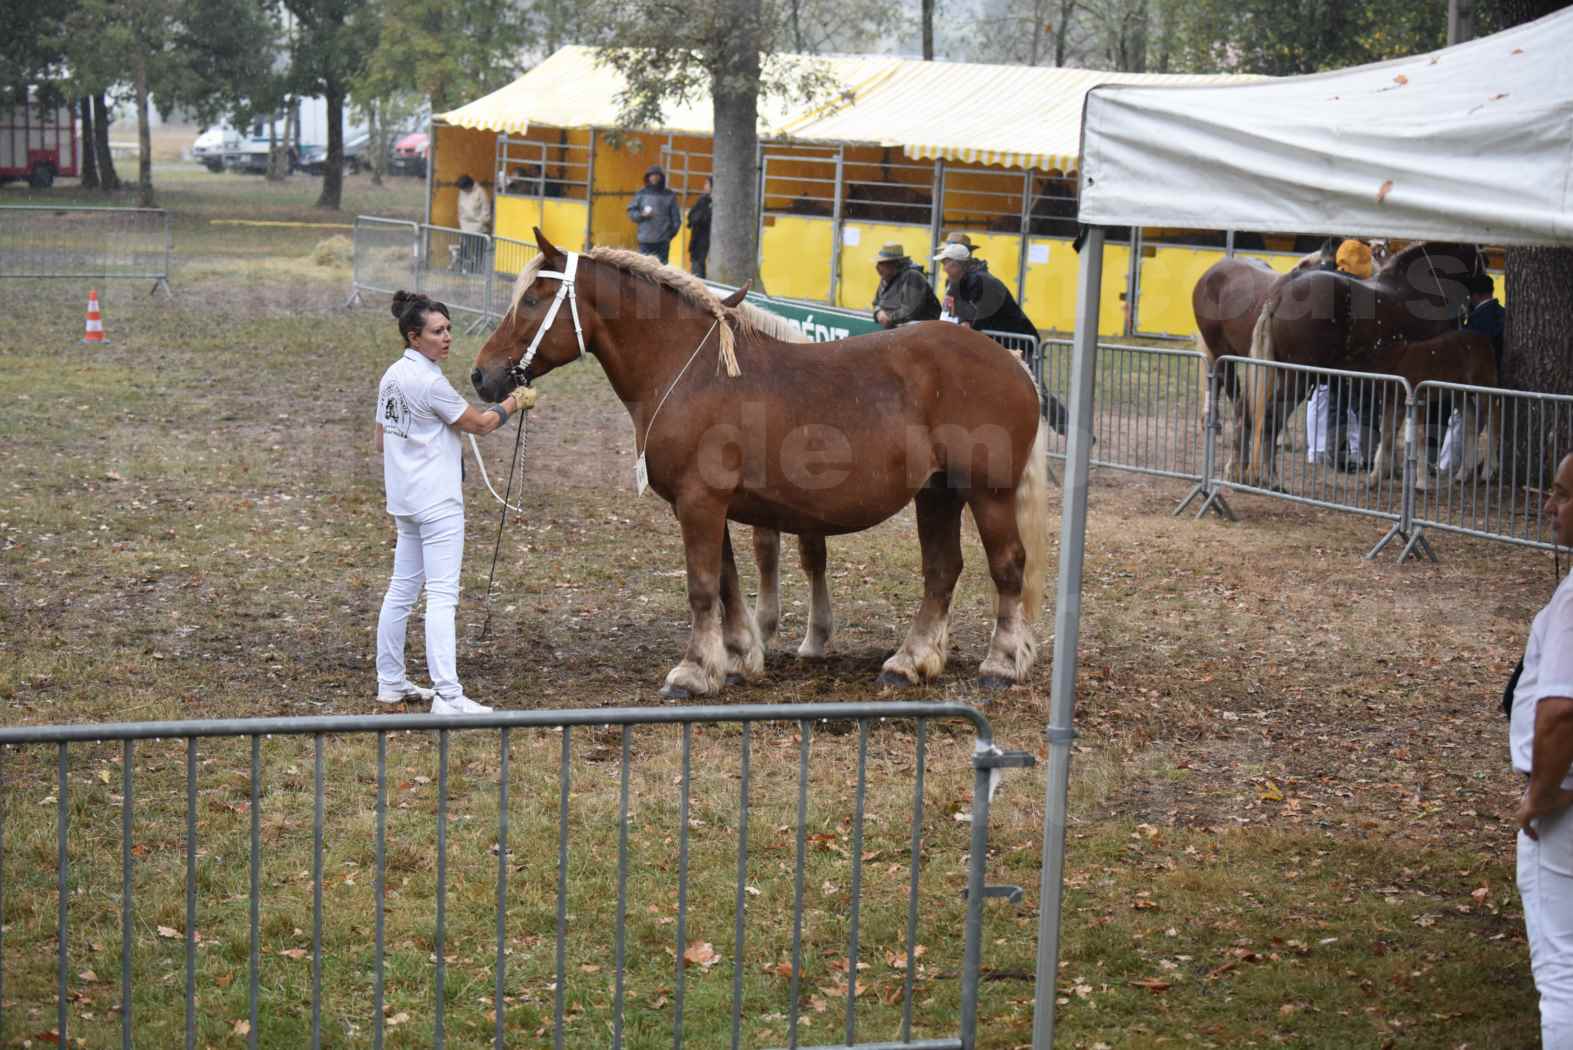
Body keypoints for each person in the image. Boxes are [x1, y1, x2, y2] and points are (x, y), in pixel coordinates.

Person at [374, 291, 535, 715]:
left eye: (448, 330)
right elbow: (481, 424)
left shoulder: (391, 375)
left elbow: (381, 437)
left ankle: (389, 682)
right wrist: (514, 403)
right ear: (414, 336)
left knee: (402, 591)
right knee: (443, 596)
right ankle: (448, 695)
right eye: (437, 332)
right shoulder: (430, 382)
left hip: (405, 500)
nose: (447, 338)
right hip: (437, 502)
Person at [1511, 451, 1573, 1050]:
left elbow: (1559, 711)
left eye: (1562, 494)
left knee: (1563, 972)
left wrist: (1542, 795)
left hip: (1565, 813)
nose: (1550, 507)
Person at [935, 242, 1036, 343]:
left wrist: (966, 324)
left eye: (945, 263)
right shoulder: (959, 281)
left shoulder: (981, 281)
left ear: (958, 264)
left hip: (1016, 342)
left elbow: (979, 314)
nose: (944, 269)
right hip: (1000, 341)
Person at [871, 243, 941, 328]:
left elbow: (910, 312)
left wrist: (888, 318)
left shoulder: (913, 277)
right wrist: (878, 312)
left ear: (894, 264)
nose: (877, 267)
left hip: (920, 333)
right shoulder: (886, 277)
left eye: (881, 263)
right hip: (897, 331)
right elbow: (876, 303)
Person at [627, 164, 681, 263]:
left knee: (661, 270)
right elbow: (631, 212)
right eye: (651, 175)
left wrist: (669, 235)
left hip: (662, 241)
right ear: (648, 177)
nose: (654, 178)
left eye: (657, 175)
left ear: (661, 177)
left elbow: (676, 219)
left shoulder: (669, 195)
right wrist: (641, 215)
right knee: (645, 270)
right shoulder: (641, 194)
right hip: (645, 241)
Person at [455, 174, 491, 274]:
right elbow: (460, 209)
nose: (464, 191)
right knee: (465, 251)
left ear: (470, 186)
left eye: (465, 189)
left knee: (477, 252)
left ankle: (477, 271)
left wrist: (481, 223)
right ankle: (465, 270)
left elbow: (486, 211)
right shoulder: (462, 192)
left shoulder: (480, 192)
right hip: (465, 227)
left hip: (478, 228)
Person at [687, 176, 713, 279]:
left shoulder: (714, 202)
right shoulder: (702, 200)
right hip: (697, 241)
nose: (704, 186)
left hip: (706, 241)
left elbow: (705, 218)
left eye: (707, 184)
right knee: (697, 270)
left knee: (700, 269)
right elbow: (691, 216)